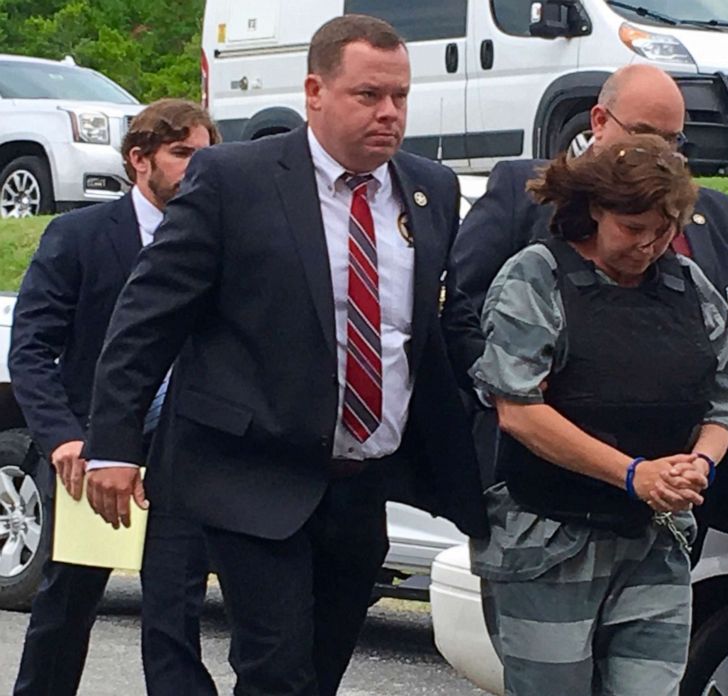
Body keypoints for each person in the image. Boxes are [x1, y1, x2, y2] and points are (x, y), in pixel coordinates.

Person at [80, 15, 488, 695]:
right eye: (367, 96)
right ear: (315, 92)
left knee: (317, 673)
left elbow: (431, 327)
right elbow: (146, 319)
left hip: (361, 482)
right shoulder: (234, 180)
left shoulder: (430, 190)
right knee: (276, 670)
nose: (389, 114)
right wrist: (114, 445)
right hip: (253, 473)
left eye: (401, 97)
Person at [444, 64, 728, 560]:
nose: (659, 151)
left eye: (672, 140)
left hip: (668, 493)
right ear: (599, 120)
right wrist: (507, 385)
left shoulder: (713, 213)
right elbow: (462, 306)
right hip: (543, 488)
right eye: (643, 133)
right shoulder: (521, 192)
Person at [470, 134, 728, 695]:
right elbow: (518, 410)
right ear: (597, 211)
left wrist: (700, 463)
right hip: (550, 539)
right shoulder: (538, 277)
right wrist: (633, 473)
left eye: (663, 231)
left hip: (654, 541)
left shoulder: (688, 285)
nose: (648, 246)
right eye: (633, 230)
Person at [8, 99, 219, 696]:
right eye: (181, 154)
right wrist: (64, 438)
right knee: (67, 603)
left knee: (174, 608)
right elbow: (30, 350)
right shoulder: (78, 237)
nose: (196, 169)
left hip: (185, 453)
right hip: (90, 448)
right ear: (139, 159)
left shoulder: (218, 243)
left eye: (207, 156)